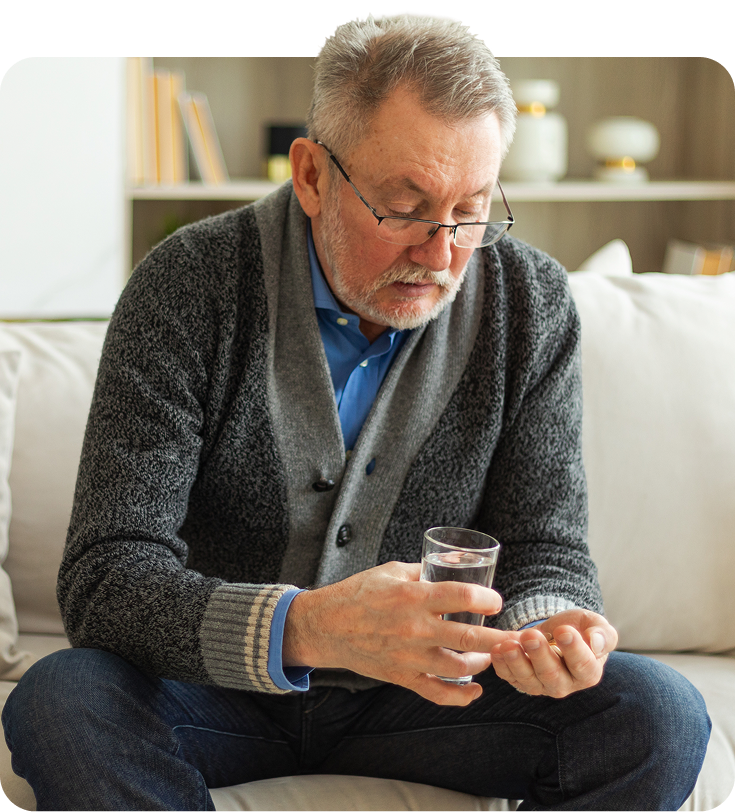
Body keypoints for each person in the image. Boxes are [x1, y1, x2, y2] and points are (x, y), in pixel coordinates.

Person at [3, 15, 710, 812]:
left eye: (471, 210)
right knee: (65, 701)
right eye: (404, 209)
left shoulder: (530, 303)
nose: (441, 254)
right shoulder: (186, 286)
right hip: (210, 693)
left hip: (434, 700)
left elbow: (545, 546)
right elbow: (107, 578)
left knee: (656, 714)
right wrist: (308, 628)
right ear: (311, 175)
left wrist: (550, 627)